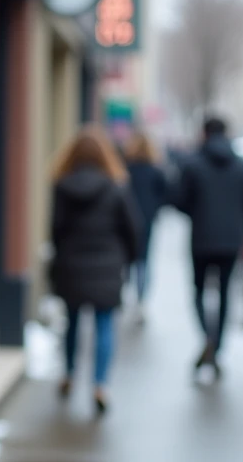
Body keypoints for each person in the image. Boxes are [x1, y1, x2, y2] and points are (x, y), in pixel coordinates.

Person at [49, 126, 140, 414]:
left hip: (72, 265)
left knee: (72, 323)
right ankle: (100, 385)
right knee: (104, 325)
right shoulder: (116, 187)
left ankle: (69, 374)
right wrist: (129, 259)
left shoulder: (62, 187)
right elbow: (132, 228)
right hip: (107, 266)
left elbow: (56, 230)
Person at [173, 116, 243, 374]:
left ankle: (207, 338)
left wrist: (197, 213)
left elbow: (177, 199)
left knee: (199, 291)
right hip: (231, 241)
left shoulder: (193, 164)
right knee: (224, 293)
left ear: (204, 133)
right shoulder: (241, 165)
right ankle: (217, 347)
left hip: (201, 239)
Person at [124, 131, 168, 318]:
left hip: (126, 219)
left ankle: (124, 293)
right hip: (146, 220)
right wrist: (154, 209)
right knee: (144, 260)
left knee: (127, 257)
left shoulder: (125, 170)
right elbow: (165, 194)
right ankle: (140, 299)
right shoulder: (155, 171)